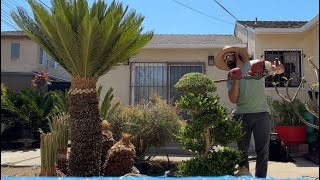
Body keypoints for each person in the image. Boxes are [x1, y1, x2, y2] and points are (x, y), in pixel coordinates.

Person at [214, 46, 284, 178]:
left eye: (227, 56)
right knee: (242, 152)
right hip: (241, 115)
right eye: (224, 58)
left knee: (263, 151)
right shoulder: (230, 75)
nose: (226, 59)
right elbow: (233, 99)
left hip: (261, 114)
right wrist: (235, 81)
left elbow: (279, 70)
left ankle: (260, 177)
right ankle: (245, 176)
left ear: (235, 54)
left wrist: (278, 66)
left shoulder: (255, 64)